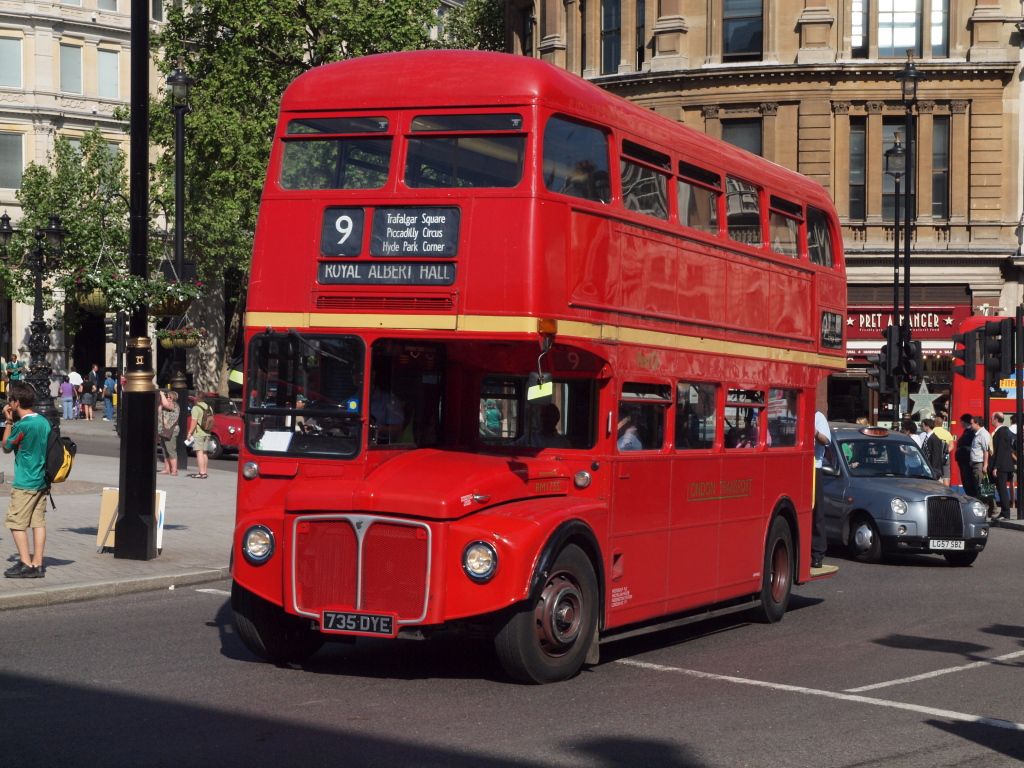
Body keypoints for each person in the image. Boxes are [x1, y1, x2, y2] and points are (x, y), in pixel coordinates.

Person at [2, 382, 51, 579]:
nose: (9, 403)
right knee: (38, 522)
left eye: (10, 400)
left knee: (16, 522)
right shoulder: (43, 421)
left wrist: (8, 421)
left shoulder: (22, 425)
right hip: (41, 480)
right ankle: (38, 563)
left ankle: (25, 562)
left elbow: (6, 446)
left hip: (25, 481)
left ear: (17, 402)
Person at [811, 411, 831, 570]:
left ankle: (817, 554)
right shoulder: (792, 414)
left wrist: (815, 433)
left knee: (816, 511)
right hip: (796, 464)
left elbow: (826, 440)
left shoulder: (818, 417)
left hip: (813, 466)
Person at [989, 412, 1014, 520]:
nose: (990, 420)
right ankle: (1004, 512)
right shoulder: (1000, 432)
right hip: (1002, 465)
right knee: (1000, 488)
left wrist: (996, 467)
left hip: (1002, 466)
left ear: (996, 420)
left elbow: (1001, 451)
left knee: (1002, 489)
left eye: (991, 418)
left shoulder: (1002, 432)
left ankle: (1005, 513)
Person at [186, 391, 213, 479]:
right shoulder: (209, 407)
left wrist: (190, 432)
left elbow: (194, 421)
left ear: (196, 398)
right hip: (207, 432)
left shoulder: (196, 408)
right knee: (205, 452)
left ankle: (201, 473)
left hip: (199, 433)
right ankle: (204, 472)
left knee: (199, 452)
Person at [157, 391, 180, 476]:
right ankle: (167, 468)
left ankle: (174, 469)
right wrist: (161, 402)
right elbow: (159, 411)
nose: (167, 398)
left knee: (171, 450)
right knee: (165, 450)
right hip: (163, 430)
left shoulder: (174, 405)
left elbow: (167, 405)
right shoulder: (164, 406)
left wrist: (162, 395)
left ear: (172, 399)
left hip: (171, 430)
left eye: (169, 397)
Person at [969, 415, 991, 502]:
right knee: (981, 487)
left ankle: (988, 507)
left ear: (977, 423)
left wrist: (985, 465)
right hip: (975, 463)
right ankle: (992, 509)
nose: (971, 425)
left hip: (980, 464)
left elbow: (986, 450)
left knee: (981, 487)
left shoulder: (983, 434)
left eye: (972, 423)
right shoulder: (977, 434)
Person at [955, 414, 978, 497]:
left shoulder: (971, 432)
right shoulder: (967, 431)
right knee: (965, 480)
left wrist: (962, 449)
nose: (961, 424)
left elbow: (971, 446)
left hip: (967, 460)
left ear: (965, 422)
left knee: (968, 481)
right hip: (963, 460)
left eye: (961, 422)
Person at [932, 414, 954, 486]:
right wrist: (945, 452)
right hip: (945, 457)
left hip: (934, 457)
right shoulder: (947, 433)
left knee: (934, 475)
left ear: (934, 423)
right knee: (946, 477)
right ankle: (946, 492)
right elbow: (952, 446)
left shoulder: (932, 432)